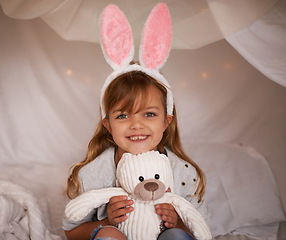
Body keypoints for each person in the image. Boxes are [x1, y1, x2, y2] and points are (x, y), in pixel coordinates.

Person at [63, 3, 207, 240]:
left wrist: (177, 222)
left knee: (176, 237)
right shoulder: (93, 174)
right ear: (108, 124)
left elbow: (201, 228)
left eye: (149, 114)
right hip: (116, 235)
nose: (136, 124)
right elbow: (71, 232)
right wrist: (107, 221)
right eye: (122, 115)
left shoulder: (183, 172)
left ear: (166, 121)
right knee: (109, 233)